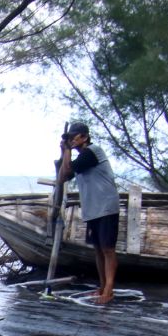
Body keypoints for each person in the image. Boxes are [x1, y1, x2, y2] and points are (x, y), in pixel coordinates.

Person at [57, 121, 120, 304]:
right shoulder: (80, 159)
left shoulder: (92, 152)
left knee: (108, 249)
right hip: (93, 208)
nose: (71, 140)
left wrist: (67, 150)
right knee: (98, 249)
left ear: (84, 137)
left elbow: (68, 169)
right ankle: (102, 288)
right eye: (70, 137)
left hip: (106, 206)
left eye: (74, 137)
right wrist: (64, 152)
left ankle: (108, 291)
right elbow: (62, 177)